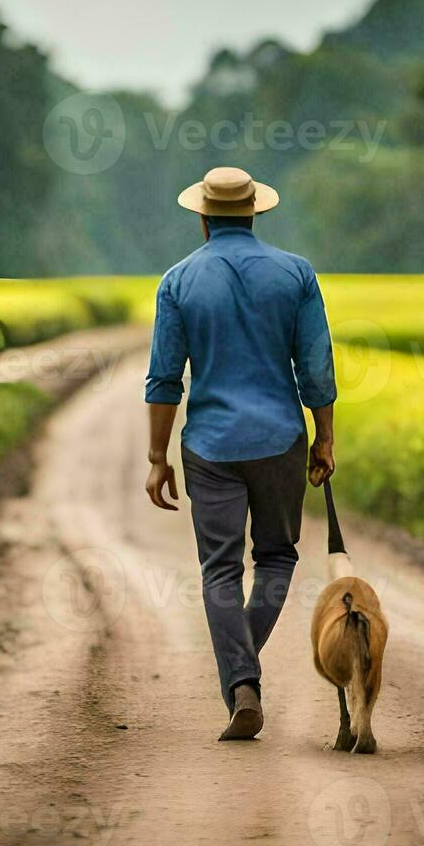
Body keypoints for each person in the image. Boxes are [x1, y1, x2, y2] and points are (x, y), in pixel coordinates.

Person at [143, 166, 337, 741]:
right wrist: (324, 437)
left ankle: (242, 682)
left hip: (209, 446)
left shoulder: (177, 281)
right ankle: (244, 673)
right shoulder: (297, 274)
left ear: (202, 217)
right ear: (255, 212)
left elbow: (163, 379)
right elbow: (317, 370)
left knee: (219, 571)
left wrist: (158, 456)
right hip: (280, 438)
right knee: (276, 558)